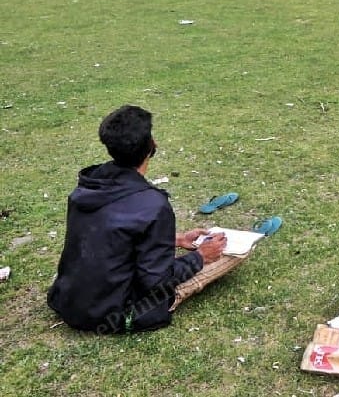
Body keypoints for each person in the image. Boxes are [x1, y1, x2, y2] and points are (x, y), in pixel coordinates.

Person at [47, 105, 231, 333]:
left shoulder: (87, 187)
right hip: (112, 314)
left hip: (68, 300)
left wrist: (175, 239)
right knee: (230, 257)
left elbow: (109, 234)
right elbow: (156, 283)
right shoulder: (153, 205)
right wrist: (200, 257)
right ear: (150, 146)